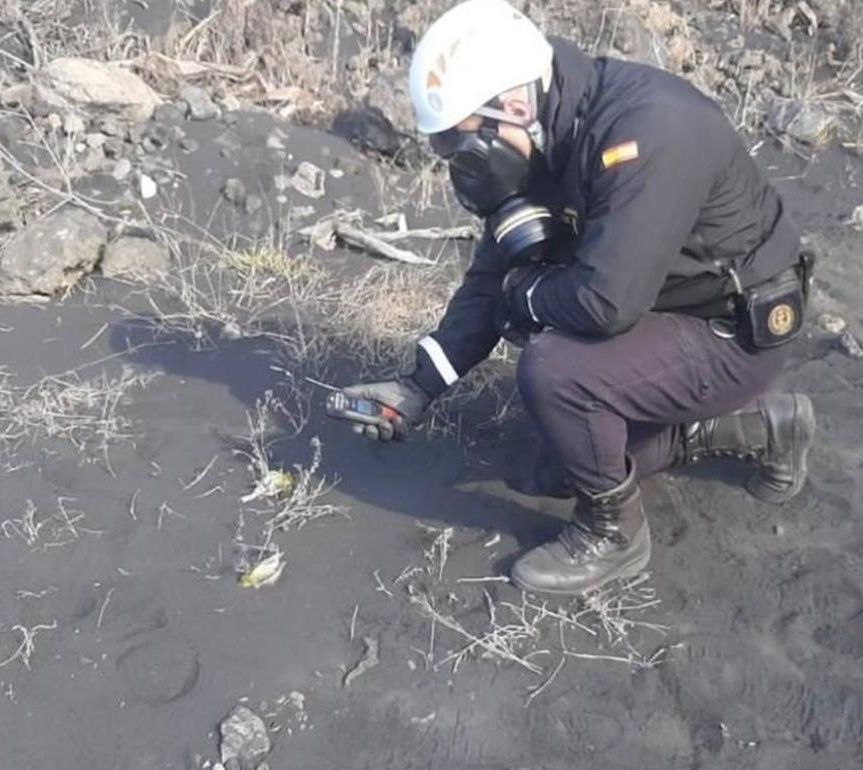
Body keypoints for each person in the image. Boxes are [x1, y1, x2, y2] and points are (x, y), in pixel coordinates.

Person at [341, 0, 816, 595]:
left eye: (463, 148)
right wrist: (417, 386)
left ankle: (613, 536)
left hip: (730, 334)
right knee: (548, 469)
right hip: (667, 307)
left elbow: (604, 304)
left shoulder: (649, 131)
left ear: (513, 107)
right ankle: (758, 426)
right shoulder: (546, 132)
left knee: (556, 370)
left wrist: (525, 296)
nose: (465, 169)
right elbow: (493, 276)